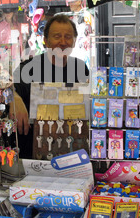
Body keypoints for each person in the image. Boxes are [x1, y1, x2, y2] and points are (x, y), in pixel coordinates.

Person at [9, 14, 89, 158]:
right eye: (57, 36)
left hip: (71, 153)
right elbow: (8, 87)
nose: (63, 42)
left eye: (68, 37)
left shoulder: (80, 68)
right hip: (32, 154)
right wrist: (14, 98)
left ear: (74, 41)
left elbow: (88, 102)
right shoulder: (29, 68)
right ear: (45, 41)